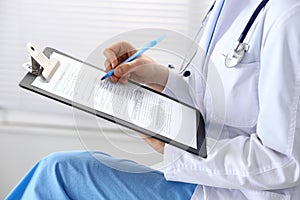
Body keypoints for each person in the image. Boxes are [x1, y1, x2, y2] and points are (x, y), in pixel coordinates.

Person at [6, 0, 300, 199]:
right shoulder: (227, 6)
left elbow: (285, 162)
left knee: (59, 173)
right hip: (201, 182)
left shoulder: (288, 16)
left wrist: (178, 149)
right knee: (58, 170)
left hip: (231, 193)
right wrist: (158, 76)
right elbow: (210, 97)